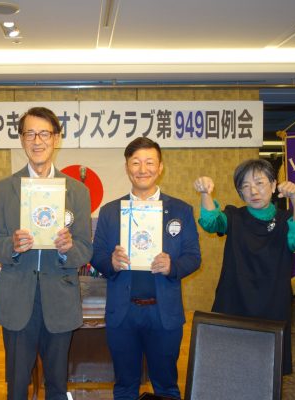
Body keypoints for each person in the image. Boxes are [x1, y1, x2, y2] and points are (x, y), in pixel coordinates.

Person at [0, 107, 93, 400]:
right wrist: (12, 245)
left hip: (59, 298)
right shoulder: (2, 190)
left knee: (57, 385)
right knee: (17, 386)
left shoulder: (77, 191)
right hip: (16, 299)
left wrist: (68, 250)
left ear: (56, 138)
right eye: (30, 134)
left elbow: (85, 248)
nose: (37, 141)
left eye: (44, 133)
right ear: (22, 139)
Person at [91, 137, 201, 400]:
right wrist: (110, 262)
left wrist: (173, 266)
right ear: (127, 167)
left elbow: (193, 257)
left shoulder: (180, 210)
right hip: (123, 313)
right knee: (124, 386)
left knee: (166, 386)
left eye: (150, 162)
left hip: (164, 314)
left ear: (160, 167)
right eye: (136, 163)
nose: (143, 169)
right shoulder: (110, 211)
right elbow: (96, 255)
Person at [194, 158, 295, 375]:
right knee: (228, 365)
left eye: (260, 183)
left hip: (273, 301)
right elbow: (211, 222)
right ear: (240, 193)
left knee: (267, 368)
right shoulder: (234, 216)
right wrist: (206, 194)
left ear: (273, 185)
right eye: (245, 186)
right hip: (234, 300)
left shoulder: (286, 220)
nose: (253, 191)